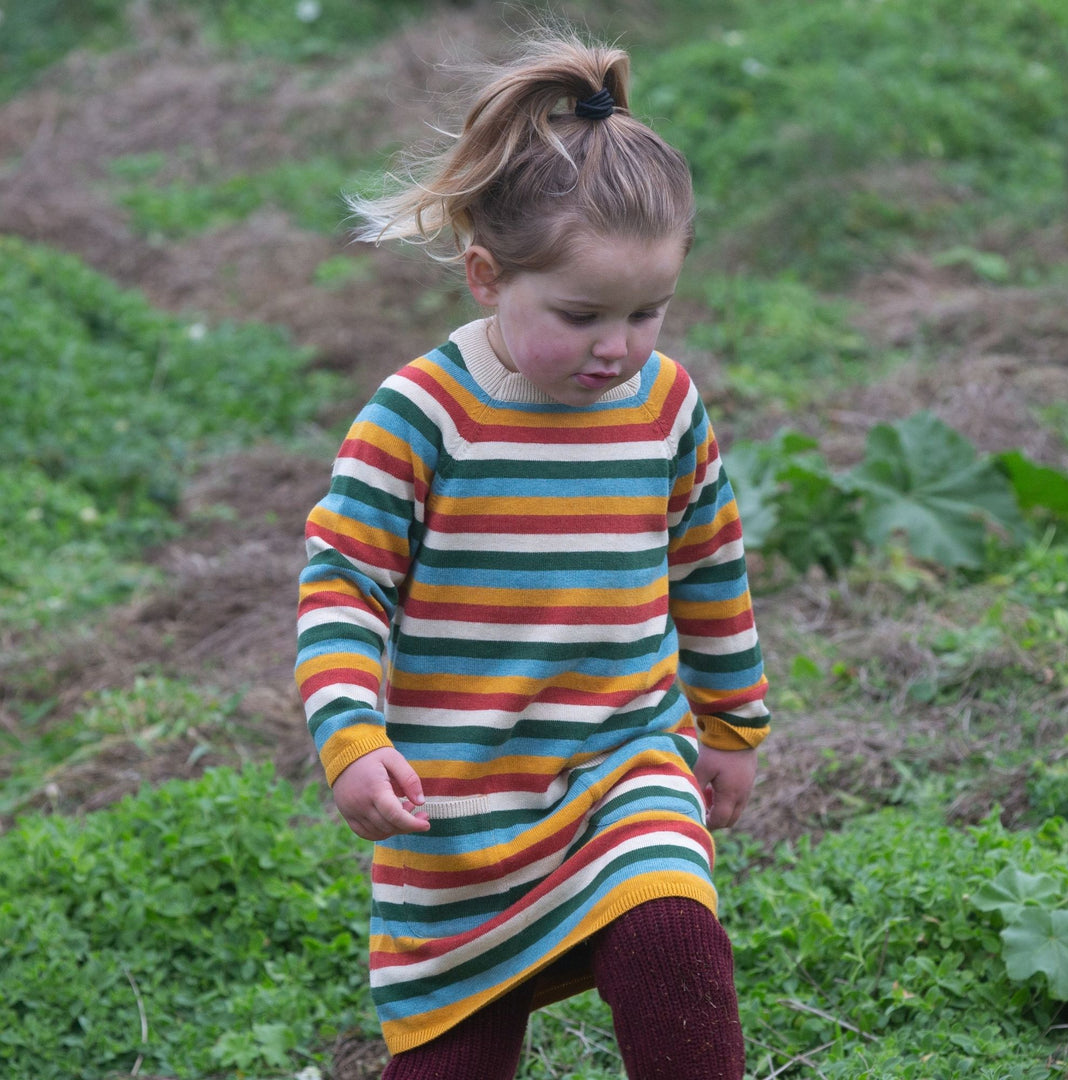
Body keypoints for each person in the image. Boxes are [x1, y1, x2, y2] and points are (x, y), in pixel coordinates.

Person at [295, 27, 770, 1080]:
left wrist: (732, 723)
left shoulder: (666, 405)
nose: (620, 346)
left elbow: (709, 565)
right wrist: (350, 732)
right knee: (454, 1059)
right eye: (581, 314)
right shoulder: (419, 417)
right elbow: (345, 582)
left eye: (649, 311)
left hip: (625, 764)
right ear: (483, 276)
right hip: (459, 805)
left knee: (670, 935)